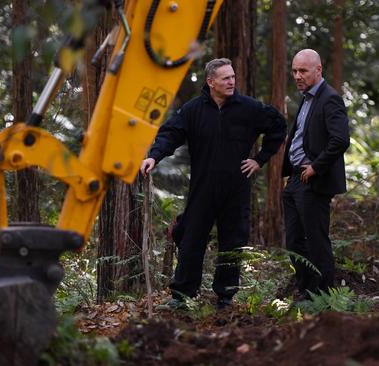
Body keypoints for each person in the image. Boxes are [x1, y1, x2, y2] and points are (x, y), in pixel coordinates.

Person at [141, 58, 286, 310]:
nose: (232, 82)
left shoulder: (248, 108)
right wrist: (154, 156)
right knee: (191, 239)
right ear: (211, 82)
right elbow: (170, 133)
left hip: (236, 187)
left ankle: (225, 298)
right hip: (203, 186)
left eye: (233, 77)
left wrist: (259, 160)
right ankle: (181, 296)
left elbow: (278, 126)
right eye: (225, 78)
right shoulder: (193, 109)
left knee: (233, 241)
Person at [282, 49, 350, 299]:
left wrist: (315, 167)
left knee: (316, 242)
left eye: (303, 71)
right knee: (294, 243)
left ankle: (323, 298)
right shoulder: (307, 97)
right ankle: (307, 292)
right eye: (294, 71)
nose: (297, 76)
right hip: (296, 179)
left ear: (318, 70)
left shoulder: (329, 98)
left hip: (313, 180)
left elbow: (341, 139)